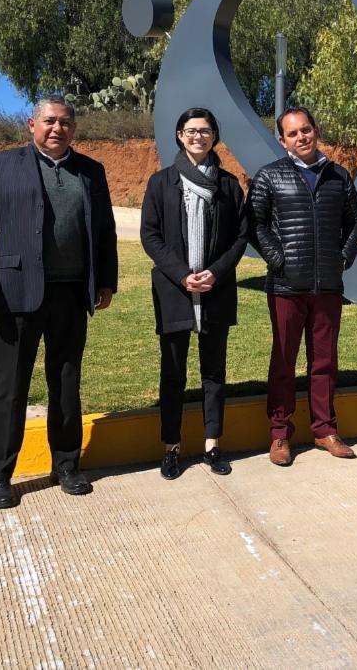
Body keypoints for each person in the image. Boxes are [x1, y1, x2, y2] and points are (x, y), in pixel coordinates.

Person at [0, 94, 118, 510]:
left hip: (71, 293)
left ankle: (66, 466)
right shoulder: (3, 165)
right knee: (9, 388)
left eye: (65, 122)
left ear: (73, 128)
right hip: (16, 292)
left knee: (66, 383)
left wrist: (106, 280)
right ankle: (0, 476)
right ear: (32, 125)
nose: (57, 129)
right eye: (49, 121)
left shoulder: (91, 171)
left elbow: (104, 230)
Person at [248, 107, 357, 466]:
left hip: (327, 286)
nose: (302, 137)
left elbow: (355, 222)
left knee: (324, 362)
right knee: (283, 361)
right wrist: (279, 260)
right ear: (282, 140)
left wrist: (341, 258)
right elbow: (255, 225)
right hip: (286, 286)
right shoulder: (269, 176)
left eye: (306, 130)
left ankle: (325, 429)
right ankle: (280, 433)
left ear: (315, 131)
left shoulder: (338, 176)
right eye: (293, 133)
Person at [140, 108, 248, 479]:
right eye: (191, 130)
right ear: (179, 135)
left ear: (214, 136)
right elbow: (150, 235)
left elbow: (240, 236)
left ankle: (212, 445)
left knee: (214, 372)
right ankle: (171, 447)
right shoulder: (161, 183)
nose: (198, 136)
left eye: (205, 130)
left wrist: (215, 273)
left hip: (217, 291)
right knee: (173, 373)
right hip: (174, 291)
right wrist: (183, 275)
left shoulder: (229, 185)